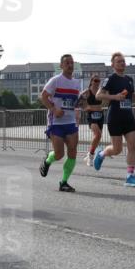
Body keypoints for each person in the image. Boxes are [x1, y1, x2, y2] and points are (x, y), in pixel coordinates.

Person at [93, 52, 135, 187]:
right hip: (115, 118)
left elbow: (132, 97)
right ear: (112, 64)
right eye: (119, 61)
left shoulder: (129, 79)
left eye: (123, 61)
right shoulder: (111, 79)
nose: (122, 63)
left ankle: (130, 176)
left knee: (132, 146)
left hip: (129, 118)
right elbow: (98, 95)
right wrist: (114, 97)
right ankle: (101, 154)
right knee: (117, 149)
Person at [38, 54, 82, 192]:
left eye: (72, 63)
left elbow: (75, 102)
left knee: (73, 151)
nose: (70, 65)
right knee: (59, 154)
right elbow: (43, 96)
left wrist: (81, 105)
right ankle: (47, 160)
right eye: (67, 63)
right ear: (61, 66)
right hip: (55, 122)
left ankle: (64, 182)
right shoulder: (55, 80)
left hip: (70, 121)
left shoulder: (76, 83)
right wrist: (53, 109)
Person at [81, 75, 105, 164]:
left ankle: (89, 154)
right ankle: (90, 156)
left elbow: (107, 98)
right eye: (95, 80)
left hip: (100, 115)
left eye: (98, 80)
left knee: (97, 136)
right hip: (91, 116)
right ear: (91, 81)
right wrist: (88, 108)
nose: (97, 82)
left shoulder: (100, 91)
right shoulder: (87, 92)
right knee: (97, 134)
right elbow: (80, 103)